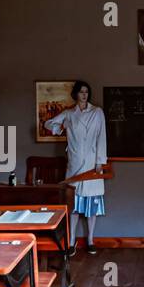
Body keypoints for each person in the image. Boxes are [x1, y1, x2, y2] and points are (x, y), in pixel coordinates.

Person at [44, 79, 107, 255]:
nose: (84, 95)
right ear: (76, 94)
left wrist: (100, 161)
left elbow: (102, 137)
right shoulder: (69, 114)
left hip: (92, 163)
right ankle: (71, 243)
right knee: (74, 205)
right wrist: (60, 127)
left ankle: (91, 240)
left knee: (91, 205)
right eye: (81, 92)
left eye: (87, 92)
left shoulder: (97, 112)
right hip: (75, 163)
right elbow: (48, 124)